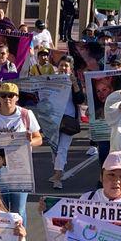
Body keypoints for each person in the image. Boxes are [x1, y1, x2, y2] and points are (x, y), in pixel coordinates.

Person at [0, 83, 42, 216]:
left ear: (17, 97)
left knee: (19, 211)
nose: (7, 99)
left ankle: (20, 236)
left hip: (19, 169)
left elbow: (39, 139)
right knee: (0, 210)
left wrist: (29, 142)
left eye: (11, 95)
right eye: (3, 95)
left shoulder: (25, 114)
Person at [47, 57, 85, 189]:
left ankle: (57, 177)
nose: (63, 68)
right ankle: (59, 170)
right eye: (61, 65)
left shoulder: (75, 81)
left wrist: (74, 84)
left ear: (71, 69)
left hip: (68, 119)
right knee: (54, 148)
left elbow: (80, 100)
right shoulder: (52, 80)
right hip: (53, 119)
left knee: (62, 148)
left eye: (66, 66)